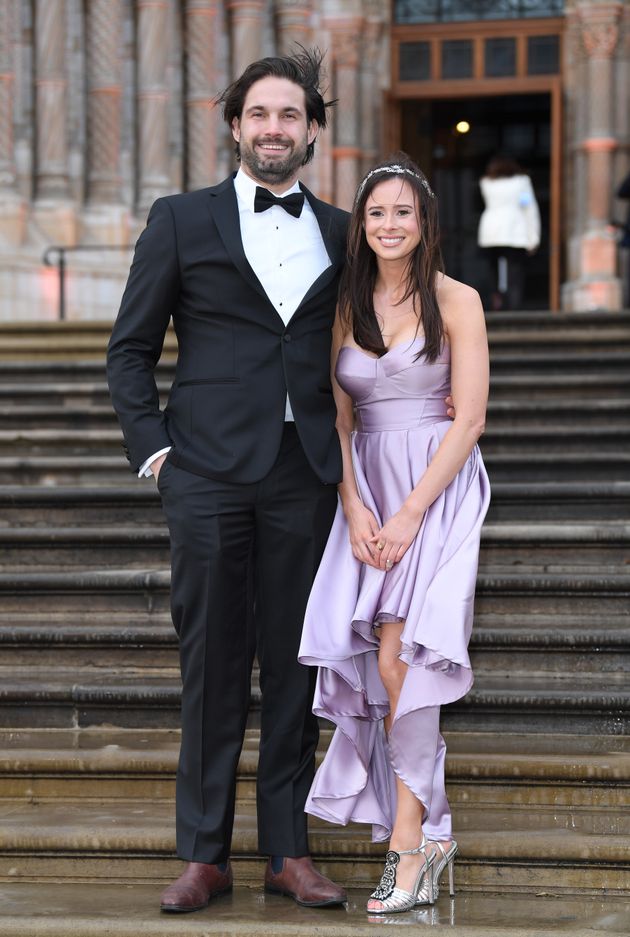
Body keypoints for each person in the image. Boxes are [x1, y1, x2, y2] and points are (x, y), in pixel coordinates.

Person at [107, 49, 350, 913]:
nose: (274, 129)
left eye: (290, 115)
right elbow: (130, 348)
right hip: (205, 472)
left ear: (313, 130)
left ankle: (288, 849)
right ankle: (205, 852)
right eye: (259, 115)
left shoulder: (343, 231)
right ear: (235, 125)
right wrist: (158, 454)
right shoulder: (179, 219)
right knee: (212, 664)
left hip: (305, 474)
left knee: (296, 666)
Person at [298, 154, 490, 914]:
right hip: (367, 483)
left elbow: (469, 417)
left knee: (397, 652)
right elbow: (338, 417)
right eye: (376, 213)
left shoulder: (459, 300)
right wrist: (354, 505)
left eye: (403, 212)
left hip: (436, 482)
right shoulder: (346, 305)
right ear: (362, 223)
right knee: (376, 664)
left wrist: (410, 511)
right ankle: (428, 831)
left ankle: (411, 843)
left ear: (426, 222)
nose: (388, 225)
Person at [477, 155, 540, 311]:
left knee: (493, 272)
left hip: (490, 232)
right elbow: (528, 208)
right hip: (515, 231)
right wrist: (534, 237)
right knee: (515, 273)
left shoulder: (486, 183)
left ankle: (496, 302)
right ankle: (513, 306)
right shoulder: (521, 182)